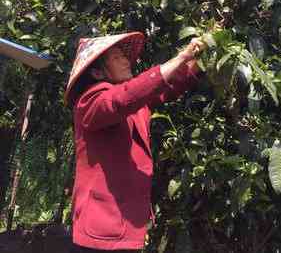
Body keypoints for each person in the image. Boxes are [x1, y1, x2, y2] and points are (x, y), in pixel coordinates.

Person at [64, 31, 208, 252]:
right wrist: (181, 57)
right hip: (102, 225)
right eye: (116, 57)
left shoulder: (133, 103)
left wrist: (203, 59)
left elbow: (165, 88)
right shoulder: (90, 102)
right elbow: (125, 97)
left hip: (125, 224)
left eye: (124, 55)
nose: (125, 61)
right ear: (96, 72)